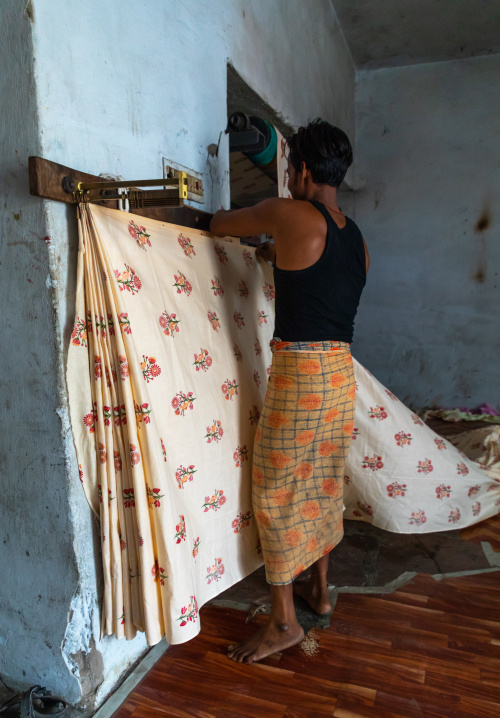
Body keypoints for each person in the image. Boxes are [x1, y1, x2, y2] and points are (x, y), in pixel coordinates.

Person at [210, 118, 369, 664]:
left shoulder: (289, 213)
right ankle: (319, 592)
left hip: (300, 374)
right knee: (322, 483)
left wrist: (266, 229)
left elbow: (220, 221)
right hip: (341, 374)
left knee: (276, 491)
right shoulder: (357, 237)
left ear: (300, 170)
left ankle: (283, 624)